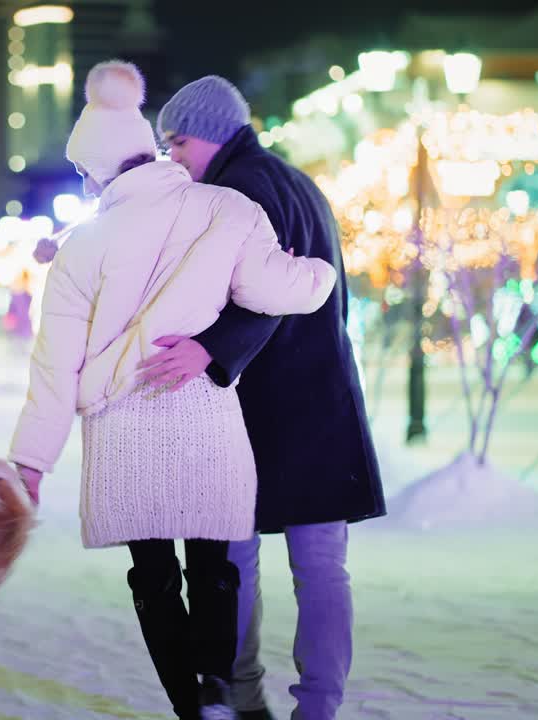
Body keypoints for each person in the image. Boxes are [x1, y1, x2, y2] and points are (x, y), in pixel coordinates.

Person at [8, 61, 338, 720]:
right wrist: (322, 271)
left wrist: (31, 461)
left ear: (96, 168)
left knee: (152, 579)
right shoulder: (225, 208)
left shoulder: (82, 247)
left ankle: (192, 710)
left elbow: (55, 365)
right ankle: (218, 690)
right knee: (215, 567)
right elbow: (278, 289)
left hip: (122, 430)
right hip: (205, 419)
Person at [142, 76, 387, 720]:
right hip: (323, 400)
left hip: (262, 408)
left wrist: (212, 348)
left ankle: (243, 697)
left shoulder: (237, 187)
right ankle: (319, 708)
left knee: (234, 560)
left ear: (215, 135)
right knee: (322, 568)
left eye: (180, 142)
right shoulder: (298, 180)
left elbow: (266, 286)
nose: (174, 157)